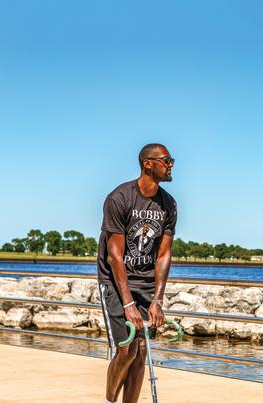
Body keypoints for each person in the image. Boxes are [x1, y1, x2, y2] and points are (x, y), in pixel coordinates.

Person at [97, 143, 177, 403]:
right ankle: (110, 400)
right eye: (166, 160)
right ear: (148, 163)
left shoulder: (169, 204)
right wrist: (128, 302)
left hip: (145, 282)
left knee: (141, 350)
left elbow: (164, 254)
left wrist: (158, 299)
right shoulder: (119, 198)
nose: (171, 165)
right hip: (115, 280)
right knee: (127, 350)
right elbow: (114, 255)